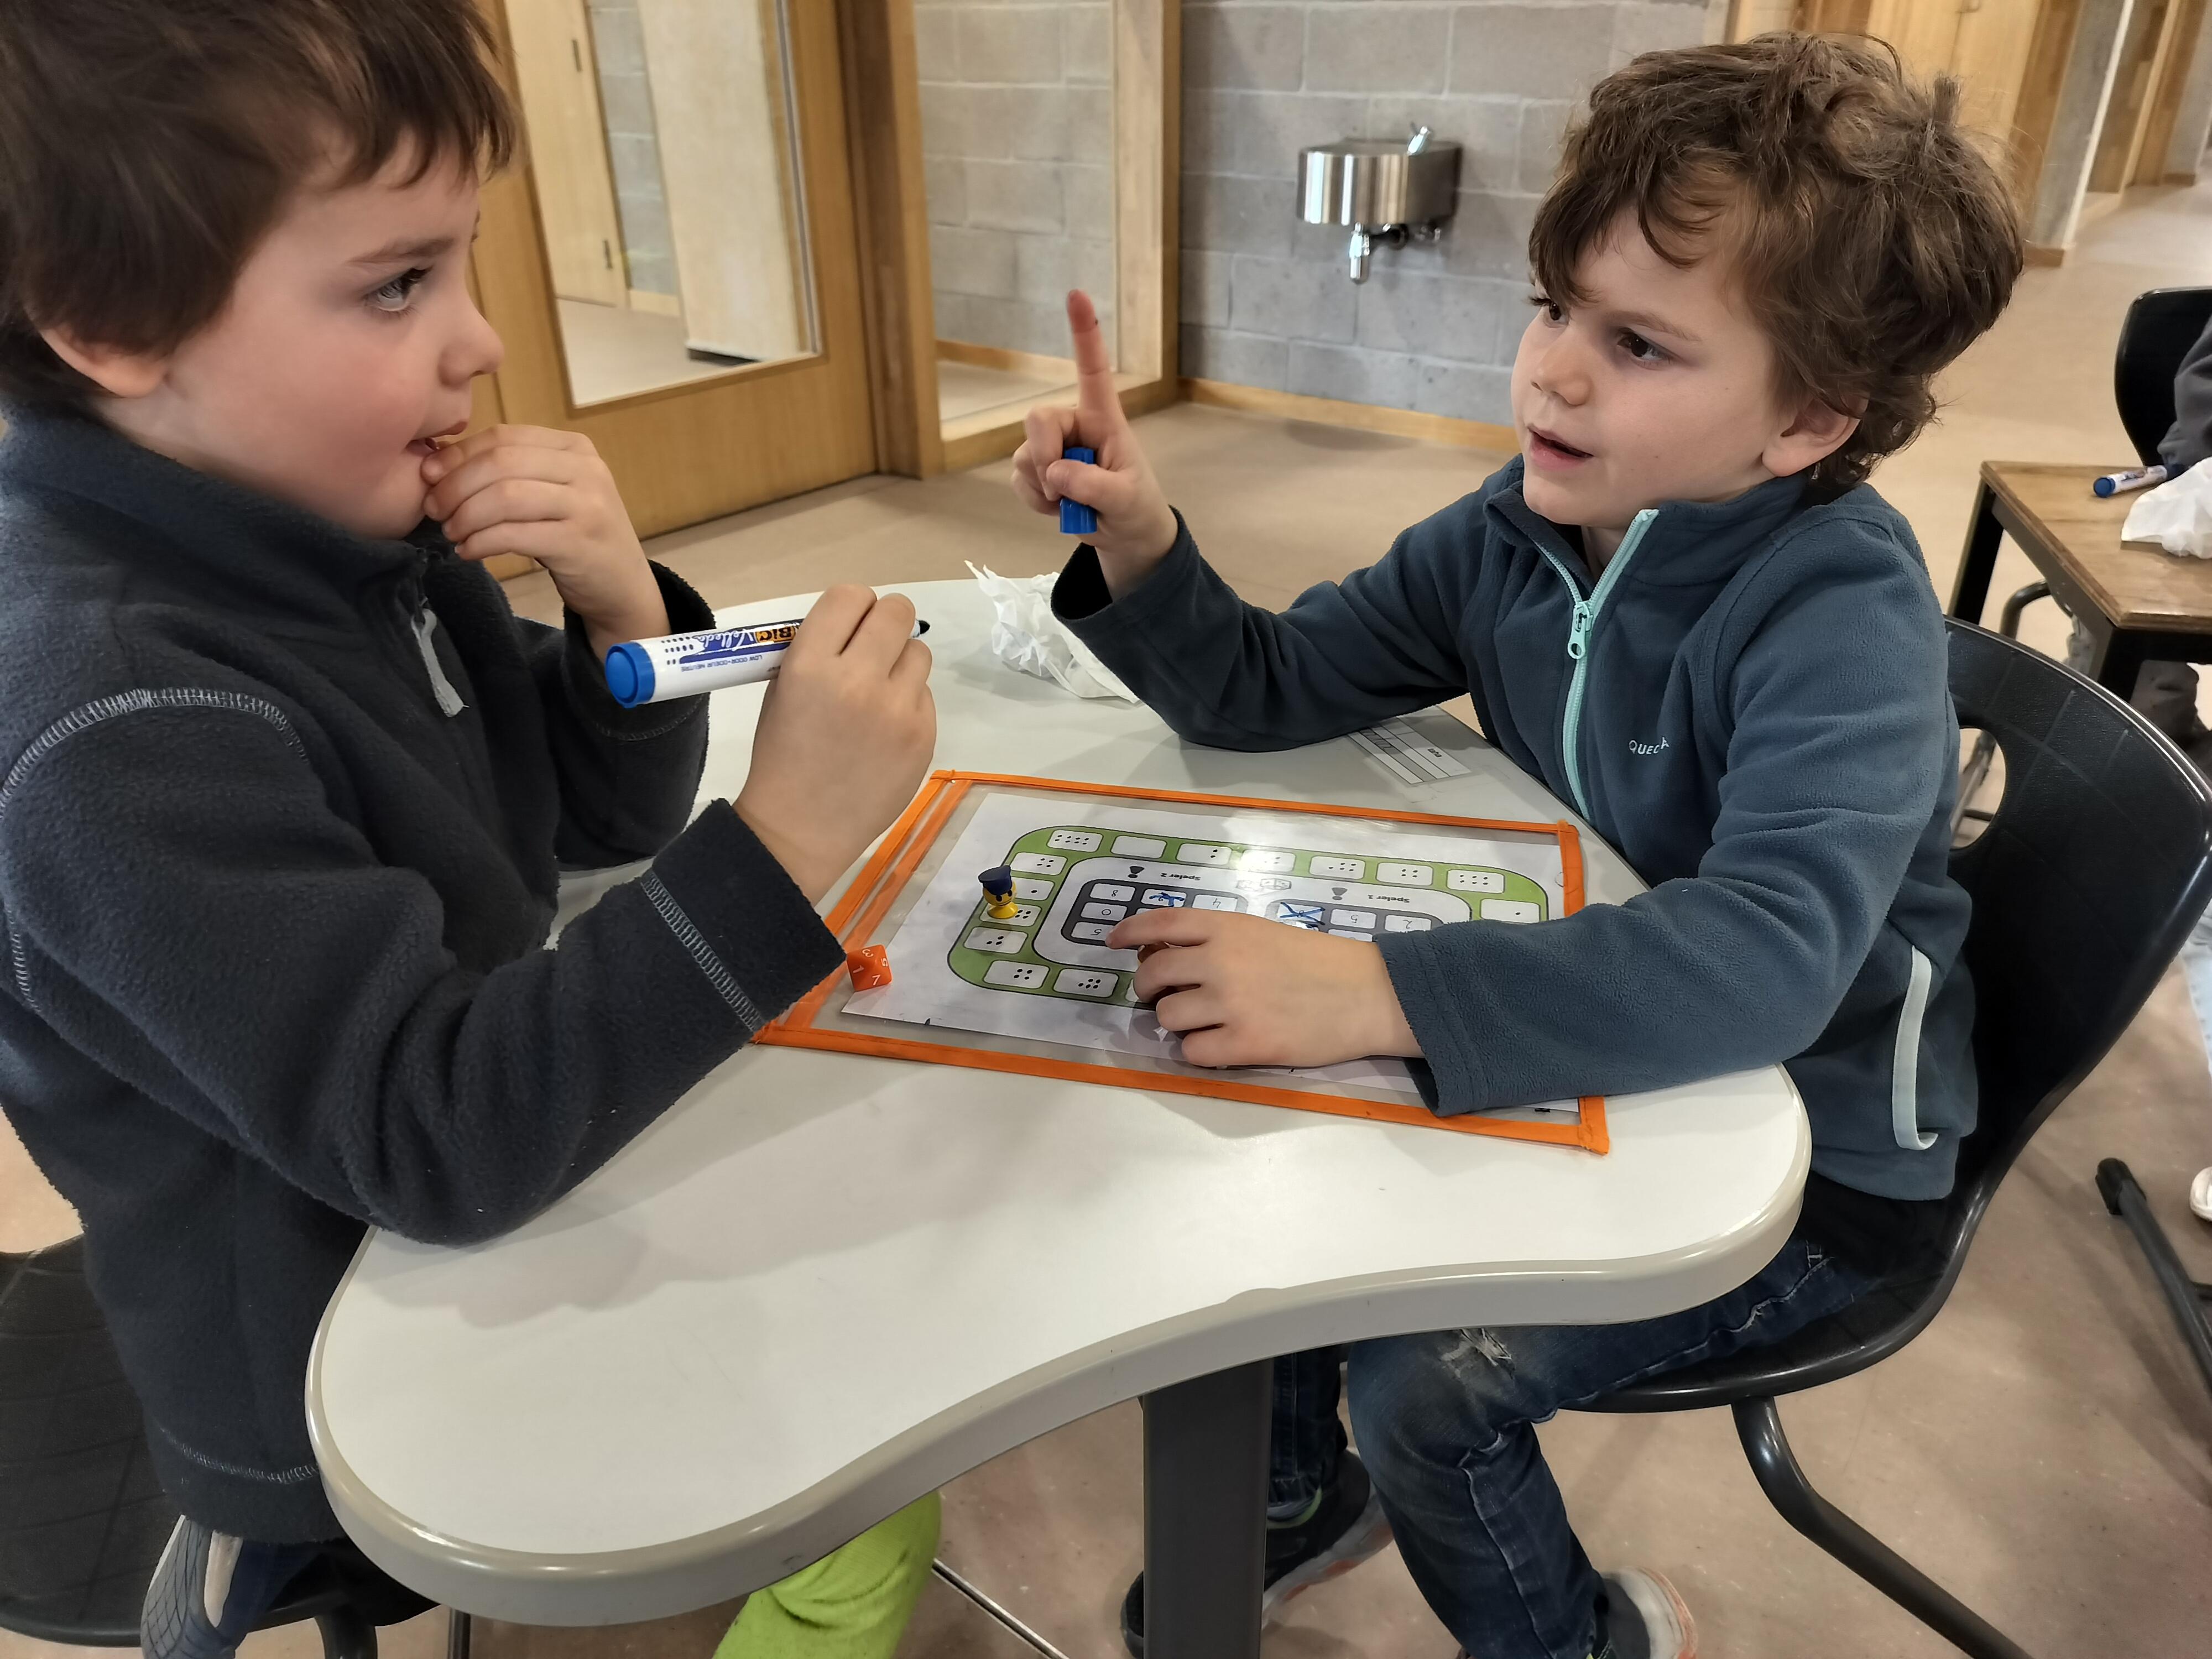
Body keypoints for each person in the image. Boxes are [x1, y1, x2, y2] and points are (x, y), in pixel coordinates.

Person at [1013, 35, 2020, 1659]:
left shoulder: (1840, 607)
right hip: (1616, 1039)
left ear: (1809, 418)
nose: (1552, 373)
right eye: (1555, 307)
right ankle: (1289, 1498)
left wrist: (1373, 990)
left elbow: (1771, 957)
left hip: (1819, 1160)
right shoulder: (1514, 529)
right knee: (1287, 1153)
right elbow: (1270, 684)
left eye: (1639, 344)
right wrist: (1143, 546)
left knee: (1430, 1388)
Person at [0, 4, 938, 1657]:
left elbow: (594, 815)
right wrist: (787, 843)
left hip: (487, 1191)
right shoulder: (117, 722)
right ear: (112, 325)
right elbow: (440, 1135)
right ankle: (243, 1570)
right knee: (874, 1430)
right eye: (397, 284)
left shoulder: (328, 527)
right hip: (337, 1369)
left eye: (465, 266)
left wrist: (622, 614)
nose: (484, 340)